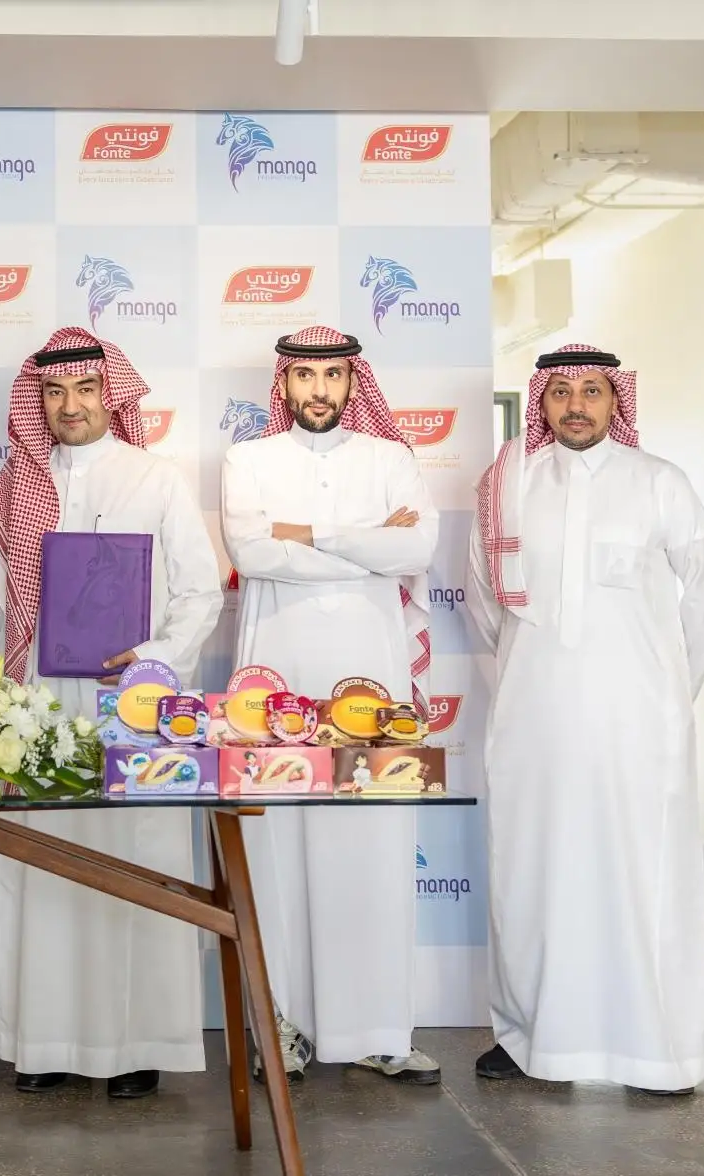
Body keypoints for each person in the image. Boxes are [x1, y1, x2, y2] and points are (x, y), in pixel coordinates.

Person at [465, 343, 704, 1094]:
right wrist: (527, 680)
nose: (575, 405)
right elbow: (482, 599)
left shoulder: (659, 482)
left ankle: (658, 1050)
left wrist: (669, 694)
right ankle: (528, 1038)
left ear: (616, 400)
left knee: (641, 878)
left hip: (636, 725)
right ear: (541, 402)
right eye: (561, 392)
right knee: (532, 873)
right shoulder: (508, 485)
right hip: (535, 722)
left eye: (591, 391)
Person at [0, 326, 222, 1099]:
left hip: (133, 708)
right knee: (45, 865)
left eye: (84, 389)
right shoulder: (16, 486)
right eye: (53, 392)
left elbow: (200, 592)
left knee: (132, 864)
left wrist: (151, 660)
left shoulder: (156, 479)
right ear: (37, 400)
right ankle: (41, 1041)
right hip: (39, 709)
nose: (69, 405)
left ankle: (137, 1045)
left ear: (111, 395)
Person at [220, 325, 442, 1085]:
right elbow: (251, 553)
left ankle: (378, 1030)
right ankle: (280, 1027)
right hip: (274, 677)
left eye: (333, 375)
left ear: (353, 382)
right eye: (305, 375)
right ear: (283, 383)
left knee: (373, 839)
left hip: (372, 677)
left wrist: (306, 535)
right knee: (275, 846)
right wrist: (364, 544)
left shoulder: (390, 459)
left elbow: (415, 551)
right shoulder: (247, 460)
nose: (319, 389)